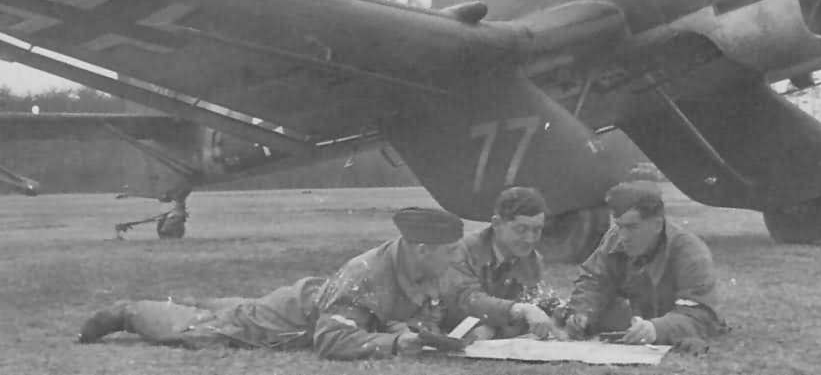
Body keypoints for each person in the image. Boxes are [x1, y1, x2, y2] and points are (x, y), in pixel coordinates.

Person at [78, 207, 464, 360]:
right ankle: (128, 312)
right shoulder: (366, 275)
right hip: (286, 321)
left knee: (235, 309)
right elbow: (329, 341)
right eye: (448, 252)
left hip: (312, 300)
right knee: (203, 331)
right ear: (423, 249)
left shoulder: (424, 267)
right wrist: (395, 342)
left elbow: (419, 308)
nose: (454, 259)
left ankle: (198, 301)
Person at [564, 182, 726, 346]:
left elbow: (701, 314)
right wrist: (582, 313)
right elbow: (593, 281)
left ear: (657, 224)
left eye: (632, 227)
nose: (622, 237)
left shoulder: (690, 253)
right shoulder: (615, 238)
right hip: (633, 320)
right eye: (619, 226)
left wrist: (657, 329)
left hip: (669, 320)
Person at [442, 186, 559, 341]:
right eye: (521, 229)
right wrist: (518, 310)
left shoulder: (530, 260)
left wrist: (563, 315)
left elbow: (536, 300)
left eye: (537, 230)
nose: (530, 239)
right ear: (496, 224)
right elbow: (466, 300)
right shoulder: (462, 250)